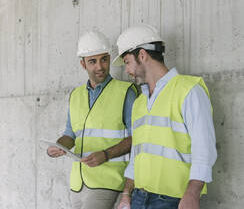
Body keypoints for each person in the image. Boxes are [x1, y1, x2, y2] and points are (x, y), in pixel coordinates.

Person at [112, 25, 217, 209]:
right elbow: (137, 155)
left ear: (142, 55)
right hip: (138, 197)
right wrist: (127, 194)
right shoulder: (140, 102)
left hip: (173, 200)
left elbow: (204, 147)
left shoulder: (188, 90)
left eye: (127, 62)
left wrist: (192, 193)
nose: (127, 70)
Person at [47, 31, 137, 209]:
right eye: (92, 61)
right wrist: (58, 146)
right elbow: (70, 134)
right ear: (83, 64)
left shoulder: (126, 92)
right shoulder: (76, 95)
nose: (100, 66)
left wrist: (106, 155)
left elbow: (138, 137)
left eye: (104, 59)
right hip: (78, 183)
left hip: (108, 180)